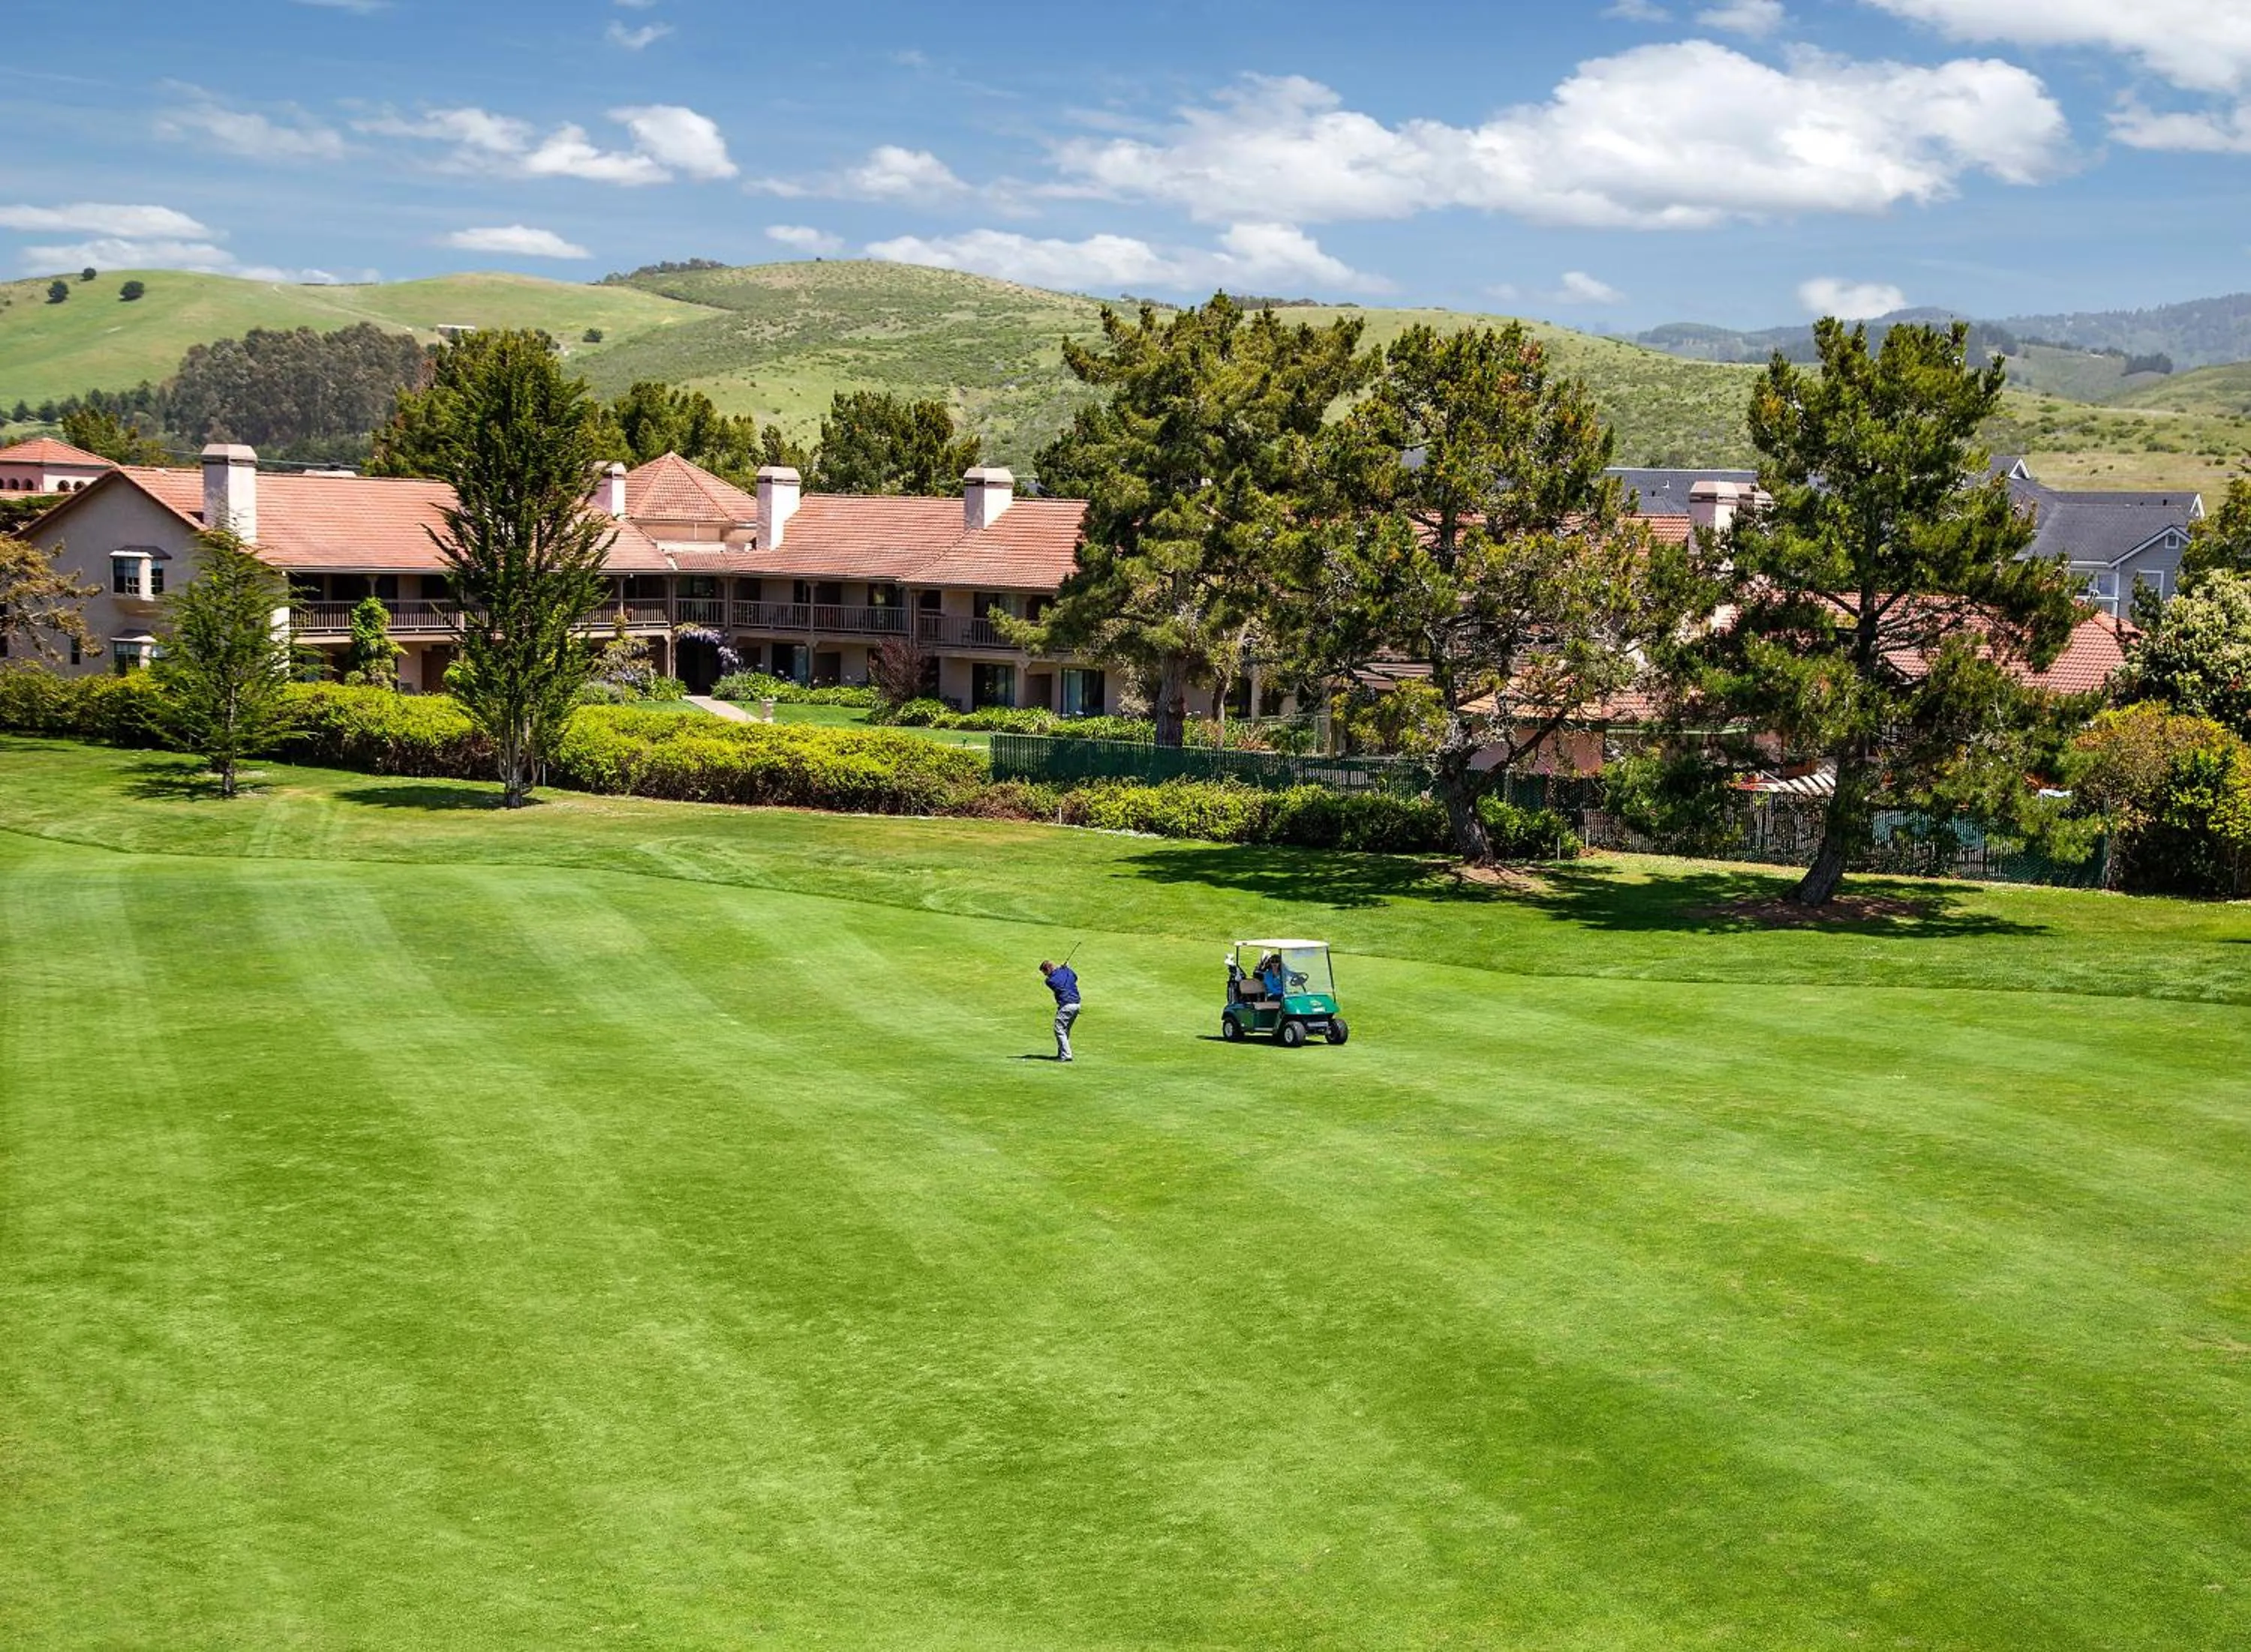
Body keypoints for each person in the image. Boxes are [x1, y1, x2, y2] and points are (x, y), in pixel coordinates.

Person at [1038, 958, 1081, 1062]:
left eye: (1045, 973)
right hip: (1076, 1005)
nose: (1045, 975)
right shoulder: (1066, 972)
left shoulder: (1049, 981)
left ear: (1048, 970)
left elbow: (1056, 979)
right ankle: (1062, 1053)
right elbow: (1075, 978)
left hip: (1067, 1005)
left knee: (1059, 1029)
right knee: (1065, 1030)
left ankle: (1066, 1055)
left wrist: (1064, 969)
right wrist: (1067, 969)